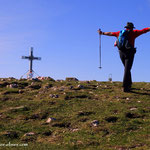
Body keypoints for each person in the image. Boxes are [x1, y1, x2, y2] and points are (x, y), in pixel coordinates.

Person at [98, 22, 150, 92]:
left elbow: (110, 33)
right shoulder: (134, 32)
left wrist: (102, 33)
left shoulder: (119, 33)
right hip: (130, 53)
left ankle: (129, 83)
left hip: (121, 52)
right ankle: (125, 87)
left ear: (125, 27)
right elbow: (144, 30)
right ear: (132, 28)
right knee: (127, 69)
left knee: (127, 68)